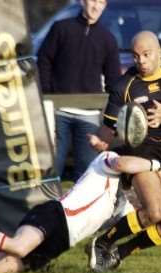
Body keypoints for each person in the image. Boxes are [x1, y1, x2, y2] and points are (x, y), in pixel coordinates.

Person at [86, 31, 161, 273]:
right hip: (142, 155)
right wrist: (101, 142)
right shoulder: (124, 85)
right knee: (155, 212)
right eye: (136, 56)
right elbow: (109, 127)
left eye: (146, 55)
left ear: (159, 52)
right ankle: (104, 241)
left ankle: (121, 251)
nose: (140, 61)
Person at [0, 151, 161, 273]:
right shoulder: (108, 160)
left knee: (3, 267)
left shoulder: (121, 202)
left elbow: (147, 214)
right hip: (56, 216)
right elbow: (123, 164)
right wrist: (156, 164)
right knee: (19, 247)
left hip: (63, 241)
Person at [37, 0, 121, 182]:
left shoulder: (108, 39)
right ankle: (47, 208)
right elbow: (43, 60)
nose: (96, 6)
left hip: (89, 116)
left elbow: (114, 82)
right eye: (93, 0)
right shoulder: (61, 28)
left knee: (86, 174)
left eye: (102, 2)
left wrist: (109, 119)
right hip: (57, 113)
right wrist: (47, 96)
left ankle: (77, 210)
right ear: (83, 1)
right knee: (51, 171)